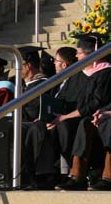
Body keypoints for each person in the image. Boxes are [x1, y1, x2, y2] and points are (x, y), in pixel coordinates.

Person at [21, 47, 85, 189]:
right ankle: (34, 175)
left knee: (39, 127)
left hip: (68, 120)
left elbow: (71, 106)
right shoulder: (58, 82)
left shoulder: (75, 81)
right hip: (53, 120)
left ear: (64, 65)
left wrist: (56, 119)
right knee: (34, 126)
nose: (52, 64)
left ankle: (44, 174)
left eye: (56, 61)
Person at [55, 34, 111, 190]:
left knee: (90, 123)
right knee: (75, 125)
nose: (76, 56)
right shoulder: (78, 74)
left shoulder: (106, 72)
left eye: (79, 53)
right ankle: (72, 175)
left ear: (91, 55)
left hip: (100, 115)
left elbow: (96, 102)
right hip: (89, 116)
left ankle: (101, 176)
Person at [18, 46, 48, 122]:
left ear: (28, 66)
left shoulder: (40, 85)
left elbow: (32, 113)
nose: (17, 68)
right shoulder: (24, 85)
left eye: (19, 65)